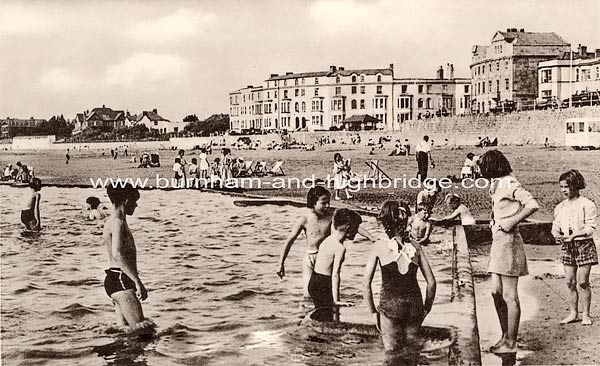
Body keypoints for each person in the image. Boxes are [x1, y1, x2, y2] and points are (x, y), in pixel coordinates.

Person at [478, 149, 539, 354]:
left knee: (510, 295)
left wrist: (512, 221)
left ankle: (511, 342)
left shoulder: (510, 183)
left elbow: (532, 204)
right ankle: (505, 336)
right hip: (499, 242)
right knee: (496, 292)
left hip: (509, 241)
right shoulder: (498, 184)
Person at [363, 200, 436, 352]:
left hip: (390, 306)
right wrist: (426, 308)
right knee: (412, 352)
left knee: (392, 354)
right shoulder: (416, 246)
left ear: (385, 223)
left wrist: (372, 313)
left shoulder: (378, 246)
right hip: (414, 306)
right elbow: (431, 282)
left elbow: (366, 284)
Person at [277, 187, 374, 297]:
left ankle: (332, 305)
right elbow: (290, 240)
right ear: (313, 202)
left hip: (325, 257)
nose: (327, 206)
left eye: (328, 202)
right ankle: (309, 312)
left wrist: (371, 238)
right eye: (323, 203)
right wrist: (281, 264)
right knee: (308, 294)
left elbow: (352, 224)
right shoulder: (305, 219)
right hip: (310, 258)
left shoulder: (330, 215)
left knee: (327, 289)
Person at [102, 184, 154, 335]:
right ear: (126, 200)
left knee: (124, 333)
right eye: (134, 201)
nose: (136, 205)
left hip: (115, 279)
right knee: (143, 333)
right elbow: (117, 254)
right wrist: (138, 282)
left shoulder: (111, 222)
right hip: (121, 280)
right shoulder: (118, 224)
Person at [551, 170, 597, 326]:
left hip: (584, 244)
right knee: (570, 282)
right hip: (567, 245)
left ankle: (586, 314)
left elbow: (590, 227)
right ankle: (573, 313)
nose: (564, 190)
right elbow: (555, 226)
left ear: (576, 185)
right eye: (561, 187)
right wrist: (556, 234)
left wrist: (574, 236)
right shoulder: (560, 207)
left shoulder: (587, 204)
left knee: (583, 282)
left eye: (567, 187)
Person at [308, 208, 362, 320]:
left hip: (314, 281)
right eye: (356, 229)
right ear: (348, 227)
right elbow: (335, 274)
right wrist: (336, 300)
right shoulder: (340, 248)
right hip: (323, 284)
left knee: (321, 316)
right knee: (328, 316)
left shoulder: (329, 239)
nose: (357, 232)